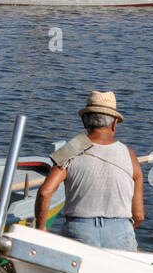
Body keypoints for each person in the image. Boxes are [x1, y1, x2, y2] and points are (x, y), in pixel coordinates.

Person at [33, 90, 144, 249]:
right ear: (114, 124)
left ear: (84, 122)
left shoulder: (72, 148)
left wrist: (41, 228)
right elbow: (139, 215)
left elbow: (45, 192)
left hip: (79, 230)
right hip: (120, 232)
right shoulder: (130, 155)